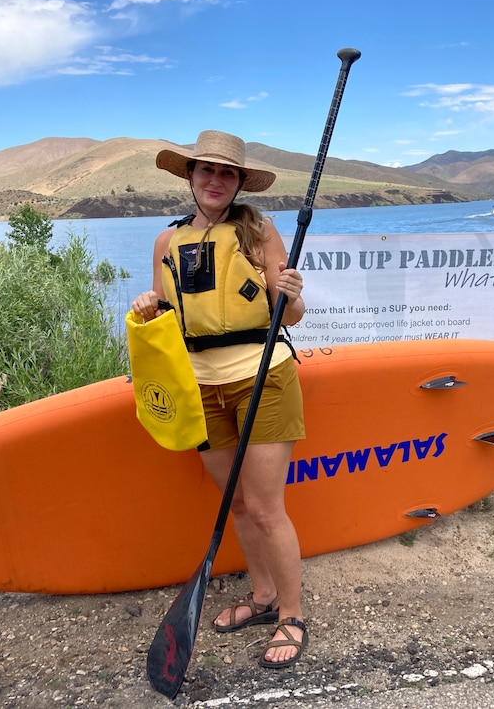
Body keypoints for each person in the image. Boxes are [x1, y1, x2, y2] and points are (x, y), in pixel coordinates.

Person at [132, 130, 308, 669]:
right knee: (235, 503)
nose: (215, 180)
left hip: (263, 376)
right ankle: (261, 597)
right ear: (189, 177)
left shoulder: (258, 232)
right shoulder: (168, 243)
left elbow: (291, 316)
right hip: (199, 386)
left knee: (264, 505)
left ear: (237, 183)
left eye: (226, 173)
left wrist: (291, 294)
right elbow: (164, 317)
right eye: (205, 170)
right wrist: (146, 307)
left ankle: (292, 615)